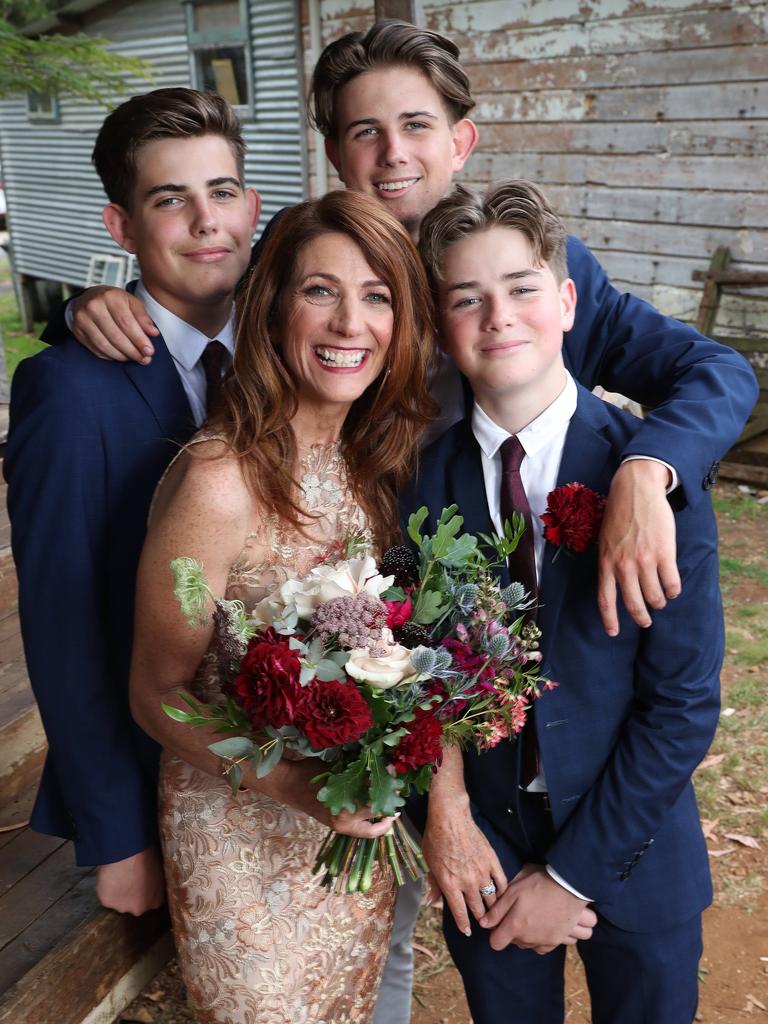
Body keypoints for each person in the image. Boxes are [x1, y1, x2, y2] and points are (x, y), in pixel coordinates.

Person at [34, 19, 757, 1018]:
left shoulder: (531, 271)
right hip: (334, 781)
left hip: (461, 748)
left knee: (390, 976)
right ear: (335, 153)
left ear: (461, 139)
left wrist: (648, 467)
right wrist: (87, 306)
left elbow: (715, 369)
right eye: (363, 131)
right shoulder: (309, 270)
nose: (391, 151)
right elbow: (197, 280)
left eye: (415, 123)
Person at [407, 179, 725, 1024]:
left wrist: (571, 875)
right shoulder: (415, 484)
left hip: (636, 841)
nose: (498, 316)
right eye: (466, 299)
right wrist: (449, 821)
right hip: (487, 849)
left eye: (520, 289)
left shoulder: (650, 479)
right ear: (443, 326)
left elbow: (684, 705)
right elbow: (413, 678)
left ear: (567, 301)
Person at [128, 188, 437, 1022]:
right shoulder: (218, 482)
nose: (349, 323)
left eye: (377, 297)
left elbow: (392, 621)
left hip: (345, 826)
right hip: (237, 827)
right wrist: (291, 785)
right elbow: (156, 693)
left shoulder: (377, 469)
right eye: (319, 290)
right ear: (271, 309)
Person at [4, 88, 261, 914]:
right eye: (168, 199)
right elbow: (63, 622)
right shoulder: (68, 391)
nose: (204, 220)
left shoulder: (289, 351)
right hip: (154, 772)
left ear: (251, 206)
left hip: (287, 759)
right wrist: (117, 833)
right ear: (121, 227)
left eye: (221, 192)